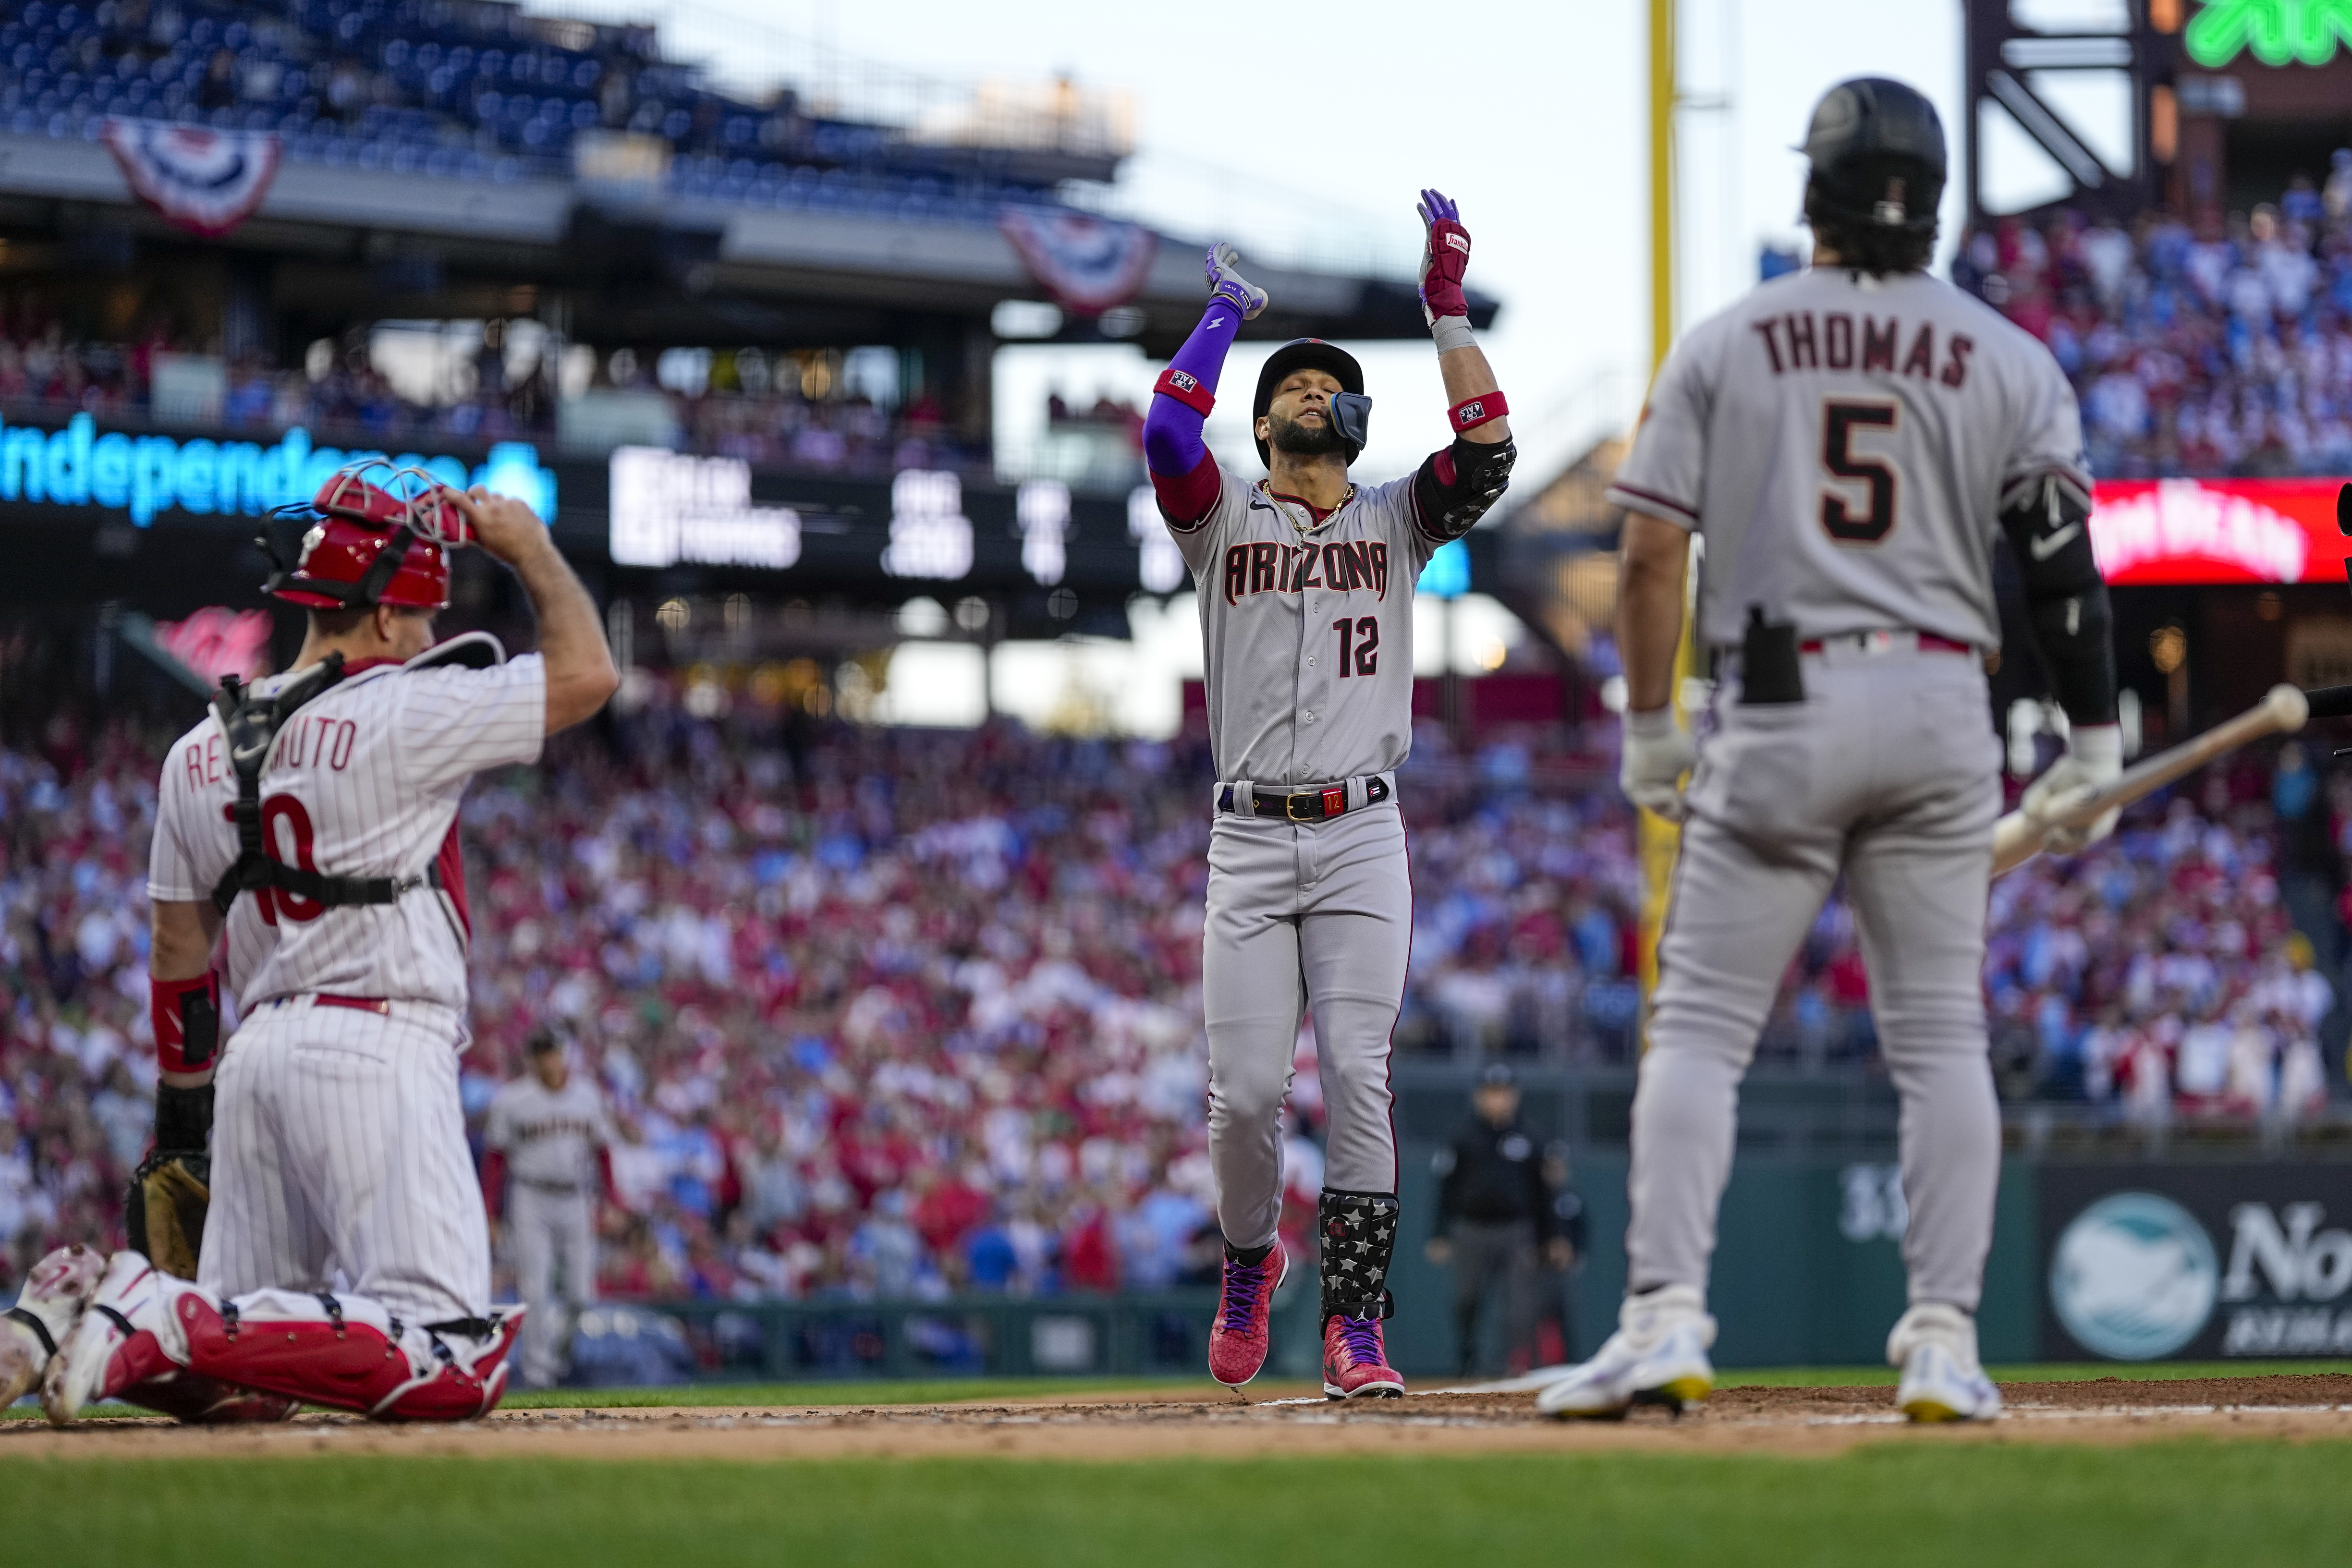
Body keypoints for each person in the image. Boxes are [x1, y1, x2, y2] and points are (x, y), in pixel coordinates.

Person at [1537, 78, 2118, 1425]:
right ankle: (1941, 1341)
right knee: (1939, 1042)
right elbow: (2061, 569)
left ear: (1818, 190)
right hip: (1937, 709)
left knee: (1697, 1032)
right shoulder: (2011, 355)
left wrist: (1646, 727)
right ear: (1934, 199)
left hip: (1784, 702)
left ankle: (1667, 1314)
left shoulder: (1732, 340)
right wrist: (2091, 738)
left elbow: (1642, 553)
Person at [37, 463, 618, 1424]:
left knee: (244, 1391)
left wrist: (186, 1126)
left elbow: (180, 955)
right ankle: (156, 1316)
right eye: (423, 619)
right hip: (376, 1045)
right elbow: (589, 672)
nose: (428, 638)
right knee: (450, 1357)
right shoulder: (406, 709)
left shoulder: (197, 749)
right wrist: (530, 550)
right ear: (387, 619)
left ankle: (60, 1314)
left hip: (254, 1063)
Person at [1142, 191, 1518, 1399]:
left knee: (1359, 1069)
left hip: (1360, 831)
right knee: (1246, 1096)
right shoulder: (1220, 519)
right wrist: (1221, 318)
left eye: (1330, 385)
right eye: (1293, 388)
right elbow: (1163, 434)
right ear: (1259, 424)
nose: (1315, 392)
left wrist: (1446, 309)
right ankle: (1250, 1259)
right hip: (1249, 838)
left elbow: (1491, 450)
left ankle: (1356, 1324)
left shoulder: (1399, 517)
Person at [483, 1028, 615, 1389]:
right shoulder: (513, 1099)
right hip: (530, 1196)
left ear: (563, 1053)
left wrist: (611, 1201)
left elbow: (602, 1152)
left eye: (553, 1052)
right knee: (535, 1290)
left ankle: (557, 1357)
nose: (548, 1060)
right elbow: (496, 1160)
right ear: (532, 1058)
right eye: (541, 1053)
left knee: (581, 1295)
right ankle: (539, 1373)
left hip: (576, 1197)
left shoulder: (587, 1095)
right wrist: (492, 1213)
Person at [1426, 1064, 1575, 1377]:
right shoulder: (1462, 1136)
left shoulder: (1532, 1137)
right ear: (1480, 1096)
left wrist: (1554, 1236)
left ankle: (1511, 1365)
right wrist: (1439, 1234)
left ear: (1514, 1096)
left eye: (1503, 1093)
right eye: (1491, 1093)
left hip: (1516, 1230)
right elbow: (1445, 1189)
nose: (1497, 1100)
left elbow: (1545, 1194)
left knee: (1519, 1306)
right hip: (1471, 1228)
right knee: (1467, 1299)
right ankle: (1468, 1359)